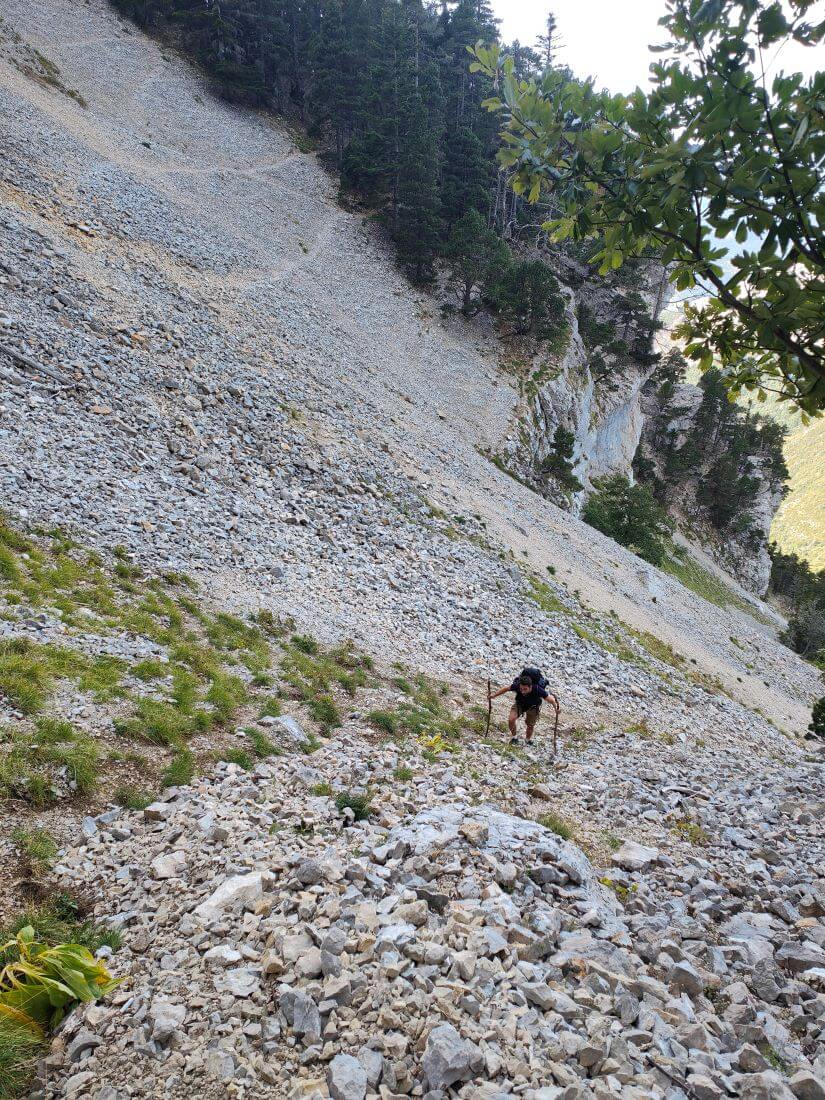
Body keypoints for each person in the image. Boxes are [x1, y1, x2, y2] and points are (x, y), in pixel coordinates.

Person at [489, 669, 559, 746]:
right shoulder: (517, 685)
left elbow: (551, 700)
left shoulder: (538, 689)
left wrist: (556, 709)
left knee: (530, 725)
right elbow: (506, 689)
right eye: (521, 689)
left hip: (533, 707)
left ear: (530, 686)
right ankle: (514, 738)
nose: (522, 691)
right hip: (520, 704)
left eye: (525, 689)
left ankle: (527, 740)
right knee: (511, 719)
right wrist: (494, 695)